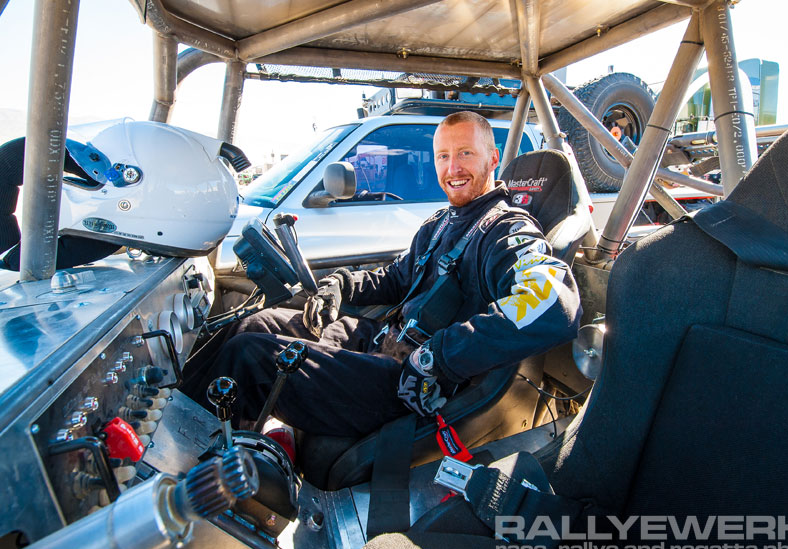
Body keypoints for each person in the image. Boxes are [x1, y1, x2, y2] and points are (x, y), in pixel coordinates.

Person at [189, 111, 581, 438]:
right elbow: (395, 278)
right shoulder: (440, 224)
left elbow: (554, 304)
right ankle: (217, 439)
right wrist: (341, 284)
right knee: (251, 326)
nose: (453, 168)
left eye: (465, 153)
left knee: (249, 357)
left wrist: (440, 356)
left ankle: (197, 461)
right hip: (382, 340)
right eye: (443, 156)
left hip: (412, 381)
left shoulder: (506, 231)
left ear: (492, 159)